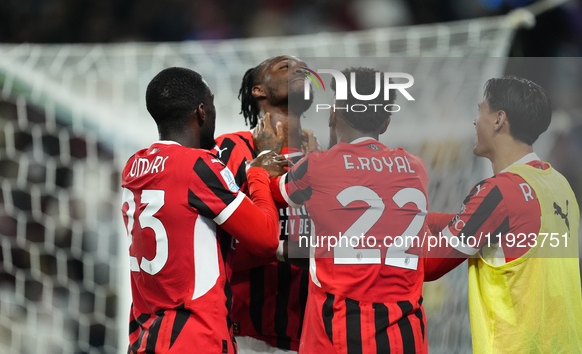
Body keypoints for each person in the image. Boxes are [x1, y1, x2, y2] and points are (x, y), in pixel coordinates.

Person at [120, 67, 287, 354]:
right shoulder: (199, 166)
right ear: (201, 112)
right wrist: (258, 171)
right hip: (195, 337)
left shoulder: (134, 167)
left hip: (145, 337)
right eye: (211, 103)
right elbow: (266, 238)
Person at [424, 76, 582, 353]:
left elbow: (429, 264)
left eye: (480, 111)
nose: (475, 122)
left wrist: (394, 219)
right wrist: (424, 217)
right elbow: (499, 228)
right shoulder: (559, 185)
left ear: (499, 119)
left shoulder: (499, 192)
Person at [273, 67, 429, 353]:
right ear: (385, 124)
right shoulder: (416, 167)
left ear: (333, 115)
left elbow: (279, 193)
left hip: (340, 331)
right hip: (406, 335)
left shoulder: (317, 166)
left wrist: (257, 173)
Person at [214, 55, 314, 353]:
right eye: (286, 67)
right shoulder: (229, 147)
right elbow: (213, 242)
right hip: (246, 335)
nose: (300, 71)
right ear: (258, 91)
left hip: (313, 334)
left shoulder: (326, 157)